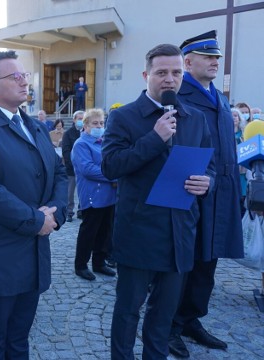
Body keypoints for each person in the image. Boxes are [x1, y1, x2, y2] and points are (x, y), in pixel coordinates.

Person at [102, 43, 214, 359]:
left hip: (180, 233)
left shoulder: (196, 119)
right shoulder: (123, 117)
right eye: (161, 72)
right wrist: (154, 138)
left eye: (176, 72)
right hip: (139, 231)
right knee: (128, 312)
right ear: (146, 74)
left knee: (163, 316)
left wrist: (207, 183)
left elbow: (211, 168)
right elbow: (110, 166)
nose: (169, 79)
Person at [0, 50, 68, 359]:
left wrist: (55, 214)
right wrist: (36, 220)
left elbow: (59, 172)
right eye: (15, 76)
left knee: (19, 338)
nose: (24, 81)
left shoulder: (33, 125)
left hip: (33, 253)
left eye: (24, 76)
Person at [167, 30, 244, 358]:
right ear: (188, 61)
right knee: (183, 263)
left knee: (207, 263)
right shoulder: (177, 96)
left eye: (217, 57)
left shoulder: (221, 98)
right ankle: (168, 325)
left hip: (221, 193)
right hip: (192, 195)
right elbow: (174, 149)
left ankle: (190, 319)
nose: (215, 62)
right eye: (208, 57)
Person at [71, 108, 117, 281]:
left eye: (101, 123)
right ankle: (81, 265)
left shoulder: (103, 141)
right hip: (92, 195)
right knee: (89, 231)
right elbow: (87, 169)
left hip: (109, 195)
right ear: (86, 125)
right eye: (95, 123)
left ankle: (99, 262)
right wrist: (113, 174)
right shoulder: (81, 144)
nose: (99, 126)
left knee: (105, 231)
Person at [61, 110, 85, 222]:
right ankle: (69, 212)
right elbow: (66, 151)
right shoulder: (68, 133)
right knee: (70, 192)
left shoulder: (87, 132)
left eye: (83, 118)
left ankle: (82, 210)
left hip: (84, 169)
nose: (81, 121)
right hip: (71, 169)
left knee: (83, 191)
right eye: (79, 118)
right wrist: (72, 165)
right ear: (74, 120)